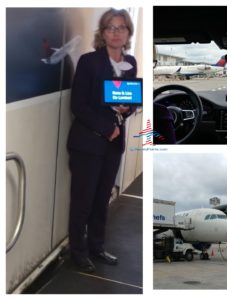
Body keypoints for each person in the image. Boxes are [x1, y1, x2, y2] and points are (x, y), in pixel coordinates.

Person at [67, 8, 137, 273]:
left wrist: (126, 109)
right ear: (102, 32)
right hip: (88, 143)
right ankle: (78, 252)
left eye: (121, 27)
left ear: (128, 32)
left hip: (112, 146)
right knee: (82, 201)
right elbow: (78, 105)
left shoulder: (131, 63)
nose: (116, 32)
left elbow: (129, 103)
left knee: (101, 200)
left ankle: (96, 247)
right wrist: (107, 126)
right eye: (110, 27)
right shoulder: (89, 61)